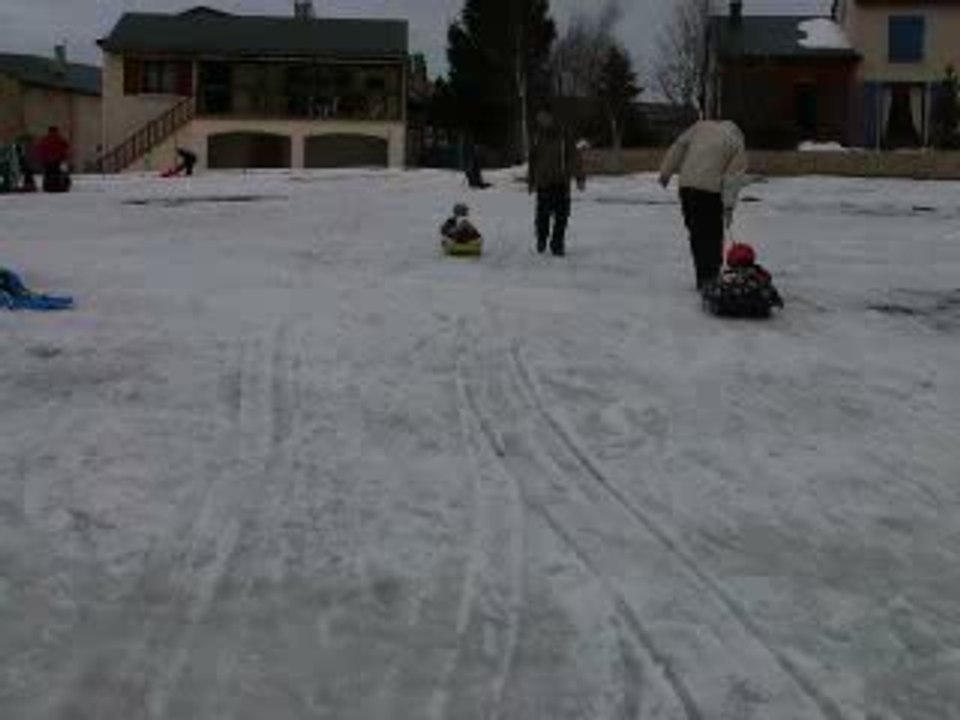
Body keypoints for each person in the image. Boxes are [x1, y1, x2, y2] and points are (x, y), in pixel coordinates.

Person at [659, 119, 747, 290]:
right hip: (710, 193)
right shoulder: (737, 143)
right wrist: (728, 207)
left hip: (686, 189)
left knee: (697, 234)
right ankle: (710, 278)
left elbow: (679, 146)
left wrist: (665, 172)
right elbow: (732, 180)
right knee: (712, 237)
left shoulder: (701, 127)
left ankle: (703, 277)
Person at [528, 109, 586, 257]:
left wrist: (580, 178)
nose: (541, 120)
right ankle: (542, 238)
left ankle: (557, 244)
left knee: (562, 217)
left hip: (561, 182)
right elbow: (532, 161)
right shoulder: (536, 137)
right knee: (543, 216)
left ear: (551, 117)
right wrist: (531, 181)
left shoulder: (564, 135)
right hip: (543, 183)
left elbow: (574, 156)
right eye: (539, 118)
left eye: (544, 117)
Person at [36, 126, 71, 193]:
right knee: (59, 173)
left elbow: (41, 150)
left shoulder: (45, 139)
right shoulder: (60, 139)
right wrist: (65, 157)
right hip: (57, 160)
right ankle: (58, 185)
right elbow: (66, 148)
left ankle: (49, 186)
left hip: (50, 161)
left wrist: (42, 159)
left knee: (49, 173)